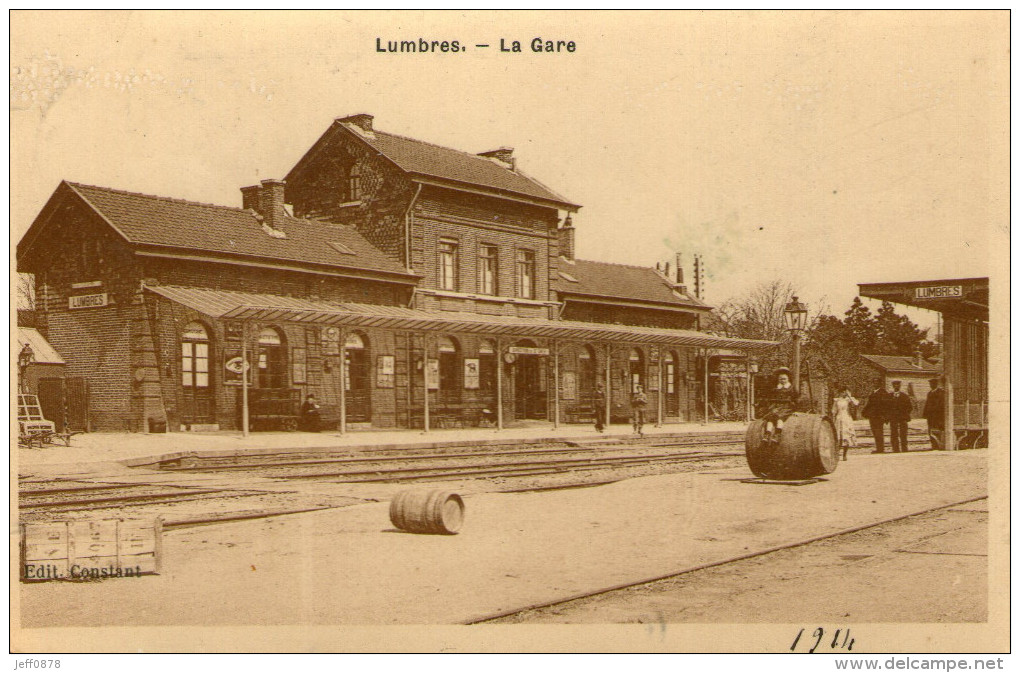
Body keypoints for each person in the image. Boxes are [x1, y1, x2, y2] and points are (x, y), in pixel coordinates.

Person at [758, 367, 798, 444]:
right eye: (780, 379)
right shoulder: (776, 389)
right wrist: (771, 407)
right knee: (770, 418)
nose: (782, 381)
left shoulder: (791, 389)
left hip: (787, 407)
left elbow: (796, 400)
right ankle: (767, 434)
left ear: (788, 379)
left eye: (784, 379)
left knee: (780, 418)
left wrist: (795, 410)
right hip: (776, 406)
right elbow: (771, 399)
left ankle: (777, 435)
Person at [862, 378, 891, 454]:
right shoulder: (873, 393)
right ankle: (878, 448)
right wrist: (864, 412)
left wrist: (885, 417)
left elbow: (887, 406)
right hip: (872, 417)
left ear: (879, 384)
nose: (874, 384)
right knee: (875, 432)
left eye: (876, 382)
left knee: (879, 433)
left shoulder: (883, 393)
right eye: (874, 382)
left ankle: (881, 449)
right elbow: (869, 404)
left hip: (879, 417)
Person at [830, 388, 859, 460]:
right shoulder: (836, 400)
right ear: (840, 392)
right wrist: (833, 420)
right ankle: (837, 454)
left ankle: (844, 455)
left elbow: (856, 403)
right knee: (839, 437)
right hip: (839, 418)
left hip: (846, 418)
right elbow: (833, 411)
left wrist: (849, 396)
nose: (844, 393)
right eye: (842, 392)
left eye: (845, 392)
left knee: (846, 436)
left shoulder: (848, 400)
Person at [888, 380, 912, 452]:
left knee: (903, 434)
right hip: (893, 418)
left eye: (898, 385)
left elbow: (910, 407)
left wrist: (904, 414)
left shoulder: (904, 396)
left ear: (900, 386)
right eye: (894, 385)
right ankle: (895, 449)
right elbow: (887, 407)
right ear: (893, 386)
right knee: (894, 433)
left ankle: (904, 449)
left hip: (902, 418)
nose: (896, 386)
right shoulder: (889, 396)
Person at [922, 378, 945, 450]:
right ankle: (933, 445)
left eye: (933, 383)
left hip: (938, 416)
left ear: (936, 384)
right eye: (930, 384)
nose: (931, 385)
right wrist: (925, 414)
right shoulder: (929, 393)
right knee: (930, 430)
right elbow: (927, 404)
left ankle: (939, 445)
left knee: (938, 430)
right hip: (930, 416)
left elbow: (941, 404)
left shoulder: (940, 392)